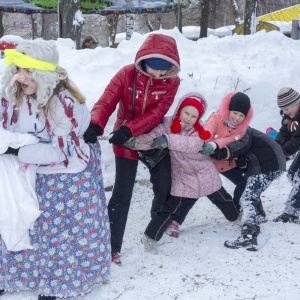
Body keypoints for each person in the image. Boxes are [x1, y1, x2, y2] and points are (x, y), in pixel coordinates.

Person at [0, 40, 110, 300]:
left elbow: (60, 152)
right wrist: (6, 86)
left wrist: (16, 151)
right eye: (18, 69)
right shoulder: (16, 91)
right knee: (20, 218)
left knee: (57, 227)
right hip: (30, 167)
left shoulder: (65, 102)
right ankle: (16, 274)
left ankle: (62, 281)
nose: (22, 76)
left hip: (68, 169)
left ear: (43, 73)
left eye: (28, 71)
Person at [83, 33, 181, 265]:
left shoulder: (172, 82)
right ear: (143, 60)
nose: (157, 74)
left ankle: (155, 229)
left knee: (165, 185)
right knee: (122, 194)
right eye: (152, 68)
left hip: (152, 139)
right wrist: (96, 124)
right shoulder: (126, 74)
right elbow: (106, 101)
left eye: (163, 69)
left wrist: (132, 129)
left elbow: (157, 113)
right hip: (124, 139)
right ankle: (109, 248)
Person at [124, 92, 223, 253]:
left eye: (193, 116)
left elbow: (194, 145)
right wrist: (135, 142)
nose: (188, 118)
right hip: (182, 175)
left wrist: (169, 140)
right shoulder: (168, 124)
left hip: (204, 173)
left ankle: (236, 217)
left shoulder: (200, 130)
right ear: (179, 109)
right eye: (186, 113)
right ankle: (150, 237)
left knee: (222, 199)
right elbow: (152, 138)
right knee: (169, 207)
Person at [165, 92, 254, 237]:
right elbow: (208, 129)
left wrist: (215, 145)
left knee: (244, 181)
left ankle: (237, 210)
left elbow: (231, 139)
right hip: (205, 163)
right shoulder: (217, 117)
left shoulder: (241, 129)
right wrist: (206, 140)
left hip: (225, 162)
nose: (237, 118)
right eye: (235, 113)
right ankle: (175, 221)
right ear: (228, 109)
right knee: (195, 190)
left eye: (241, 116)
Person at [211, 128, 285, 250]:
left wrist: (224, 152)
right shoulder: (242, 131)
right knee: (251, 193)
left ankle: (249, 236)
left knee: (247, 199)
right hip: (272, 164)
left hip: (267, 165)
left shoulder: (242, 130)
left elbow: (241, 146)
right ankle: (259, 216)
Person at [273, 87, 300, 223]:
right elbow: (284, 133)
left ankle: (291, 212)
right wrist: (274, 146)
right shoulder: (289, 116)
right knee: (292, 175)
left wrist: (282, 153)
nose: (284, 112)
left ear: (296, 103)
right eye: (283, 109)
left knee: (299, 178)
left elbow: (297, 140)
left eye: (287, 109)